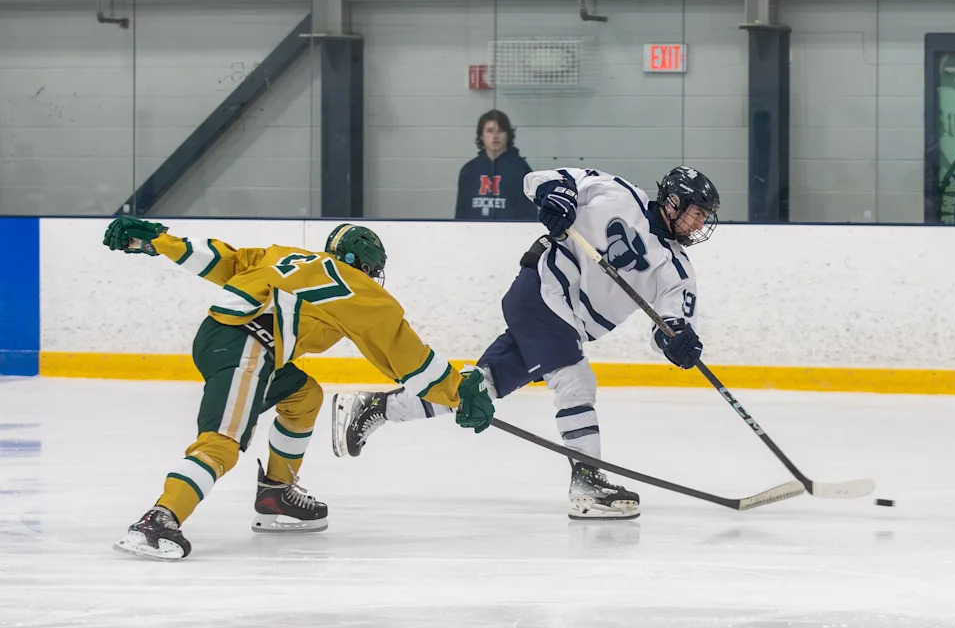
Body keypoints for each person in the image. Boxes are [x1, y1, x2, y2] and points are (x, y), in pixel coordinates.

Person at [333, 166, 720, 521]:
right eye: (697, 212)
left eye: (704, 217)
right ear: (673, 202)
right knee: (576, 381)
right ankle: (587, 481)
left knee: (477, 390)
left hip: (564, 324)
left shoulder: (677, 269)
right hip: (544, 289)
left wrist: (678, 344)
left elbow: (670, 326)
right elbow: (540, 180)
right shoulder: (614, 191)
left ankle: (377, 408)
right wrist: (556, 198)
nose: (701, 223)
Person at [102, 218, 495, 560]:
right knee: (222, 441)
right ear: (365, 264)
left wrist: (156, 242)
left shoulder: (284, 256)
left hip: (219, 337)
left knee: (304, 396)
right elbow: (409, 357)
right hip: (248, 348)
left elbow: (225, 260)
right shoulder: (362, 291)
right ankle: (157, 521)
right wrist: (459, 393)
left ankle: (276, 494)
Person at [455, 109, 538, 221]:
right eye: (489, 131)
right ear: (481, 135)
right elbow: (461, 212)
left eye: (501, 131)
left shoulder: (520, 168)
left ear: (508, 135)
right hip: (474, 233)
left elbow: (530, 213)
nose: (495, 136)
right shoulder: (469, 169)